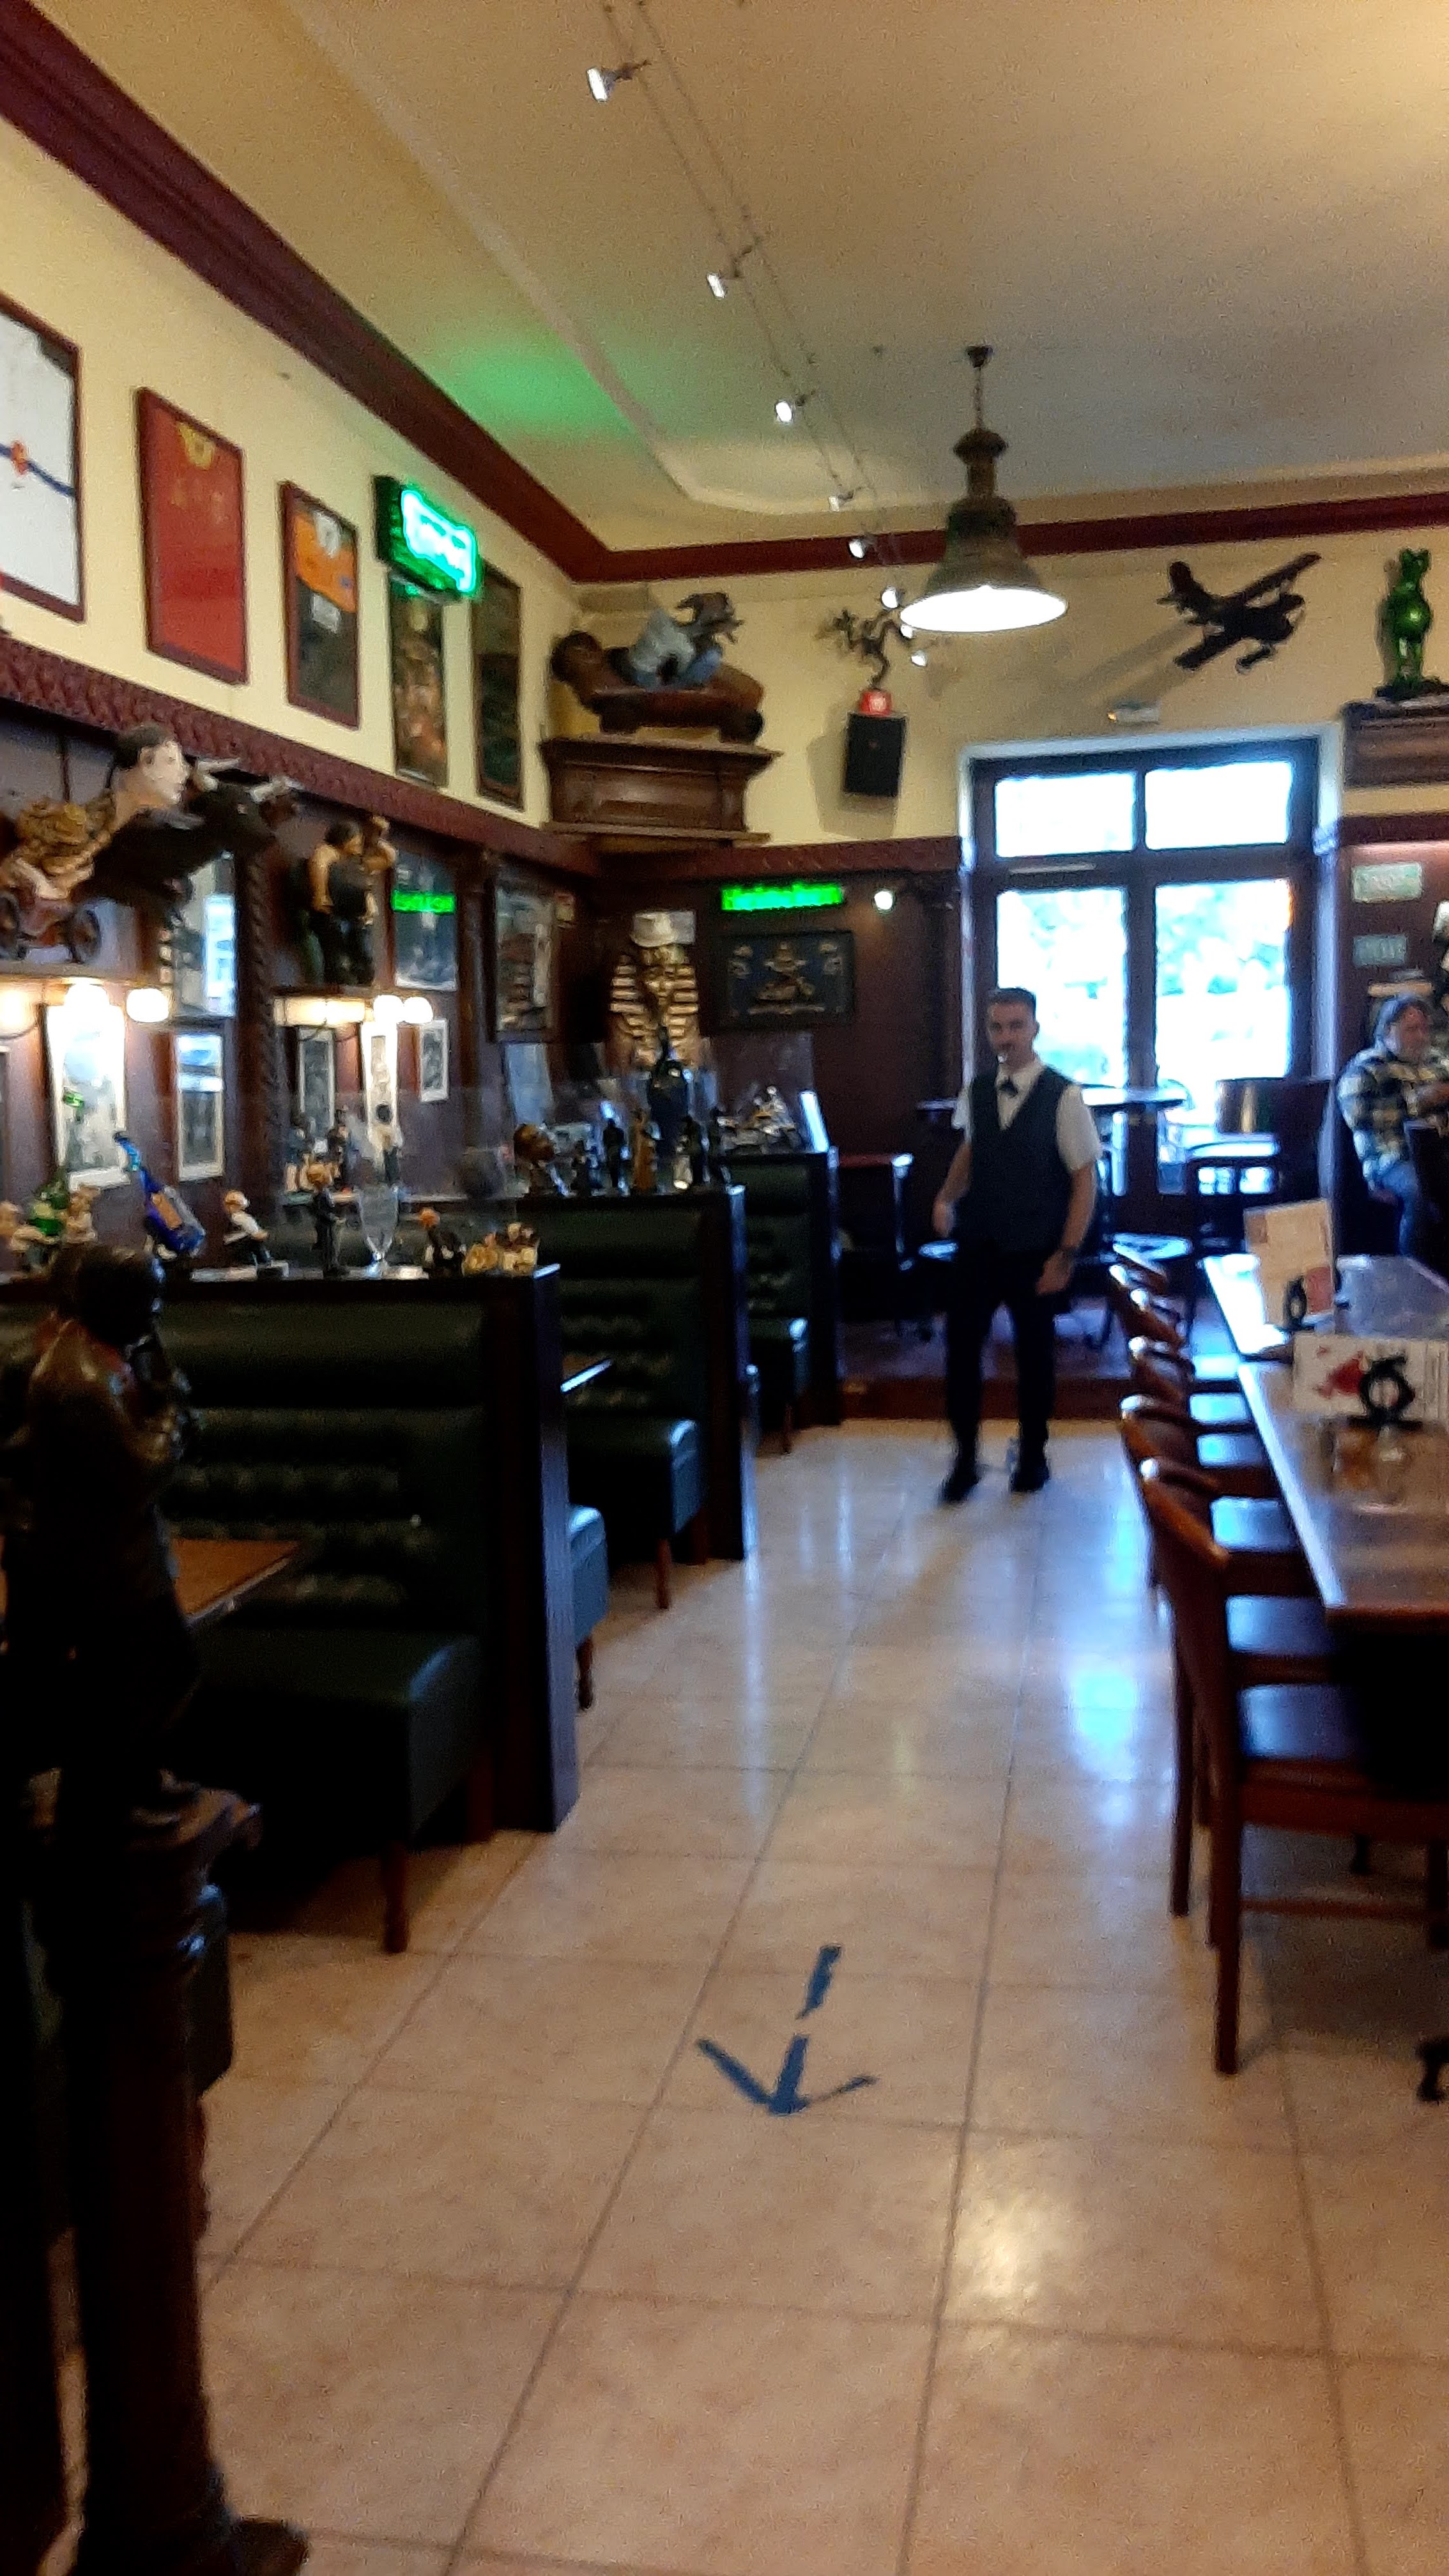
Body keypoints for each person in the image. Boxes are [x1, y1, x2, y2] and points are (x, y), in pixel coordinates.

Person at [931, 986, 1100, 1499]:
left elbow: (1085, 1180)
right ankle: (964, 1461)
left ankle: (1032, 1459)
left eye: (1015, 1026)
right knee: (961, 1353)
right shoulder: (978, 1090)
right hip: (978, 1242)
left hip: (1035, 1246)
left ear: (1035, 1029)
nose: (1005, 1037)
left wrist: (1066, 1253)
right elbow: (971, 1150)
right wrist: (945, 1197)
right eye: (997, 1027)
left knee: (1035, 1357)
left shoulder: (1064, 1095)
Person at [1337, 994, 1449, 1261]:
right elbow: (1359, 1117)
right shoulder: (1367, 1067)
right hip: (1392, 1157)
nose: (1421, 1037)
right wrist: (1420, 1101)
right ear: (1388, 1030)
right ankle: (1413, 1270)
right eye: (1412, 1029)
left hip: (1439, 1151)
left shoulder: (1437, 1063)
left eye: (1424, 1029)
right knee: (1420, 1191)